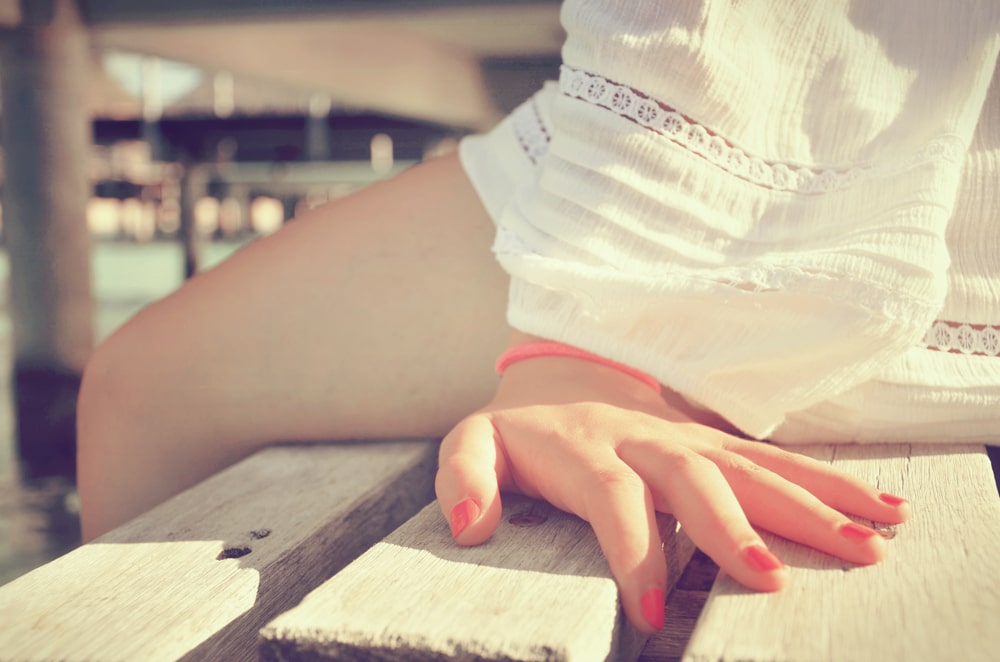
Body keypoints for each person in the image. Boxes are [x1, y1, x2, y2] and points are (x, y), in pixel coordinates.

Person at [77, 1, 1000, 634]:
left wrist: (585, 345)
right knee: (147, 385)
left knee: (149, 388)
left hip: (767, 172)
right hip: (909, 186)